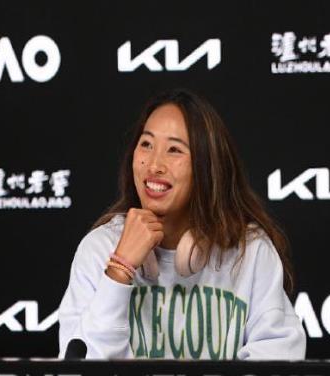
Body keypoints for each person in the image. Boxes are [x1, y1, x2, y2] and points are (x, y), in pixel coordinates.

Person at [58, 89, 306, 360]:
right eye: (146, 144)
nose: (154, 165)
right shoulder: (99, 248)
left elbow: (278, 359)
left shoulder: (249, 251)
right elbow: (81, 372)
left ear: (206, 166)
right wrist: (119, 270)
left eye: (174, 150)